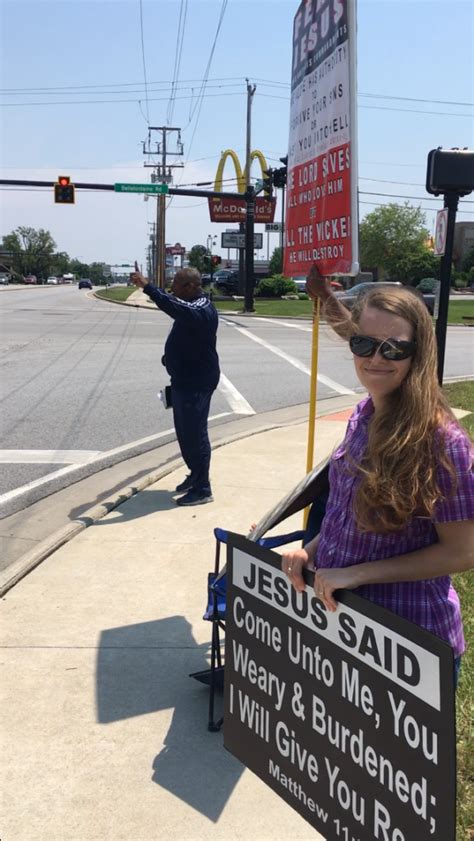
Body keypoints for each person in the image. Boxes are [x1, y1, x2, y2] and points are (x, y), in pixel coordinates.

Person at [282, 266, 473, 681]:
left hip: (408, 645)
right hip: (344, 625)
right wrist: (309, 552)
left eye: (394, 349)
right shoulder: (364, 415)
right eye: (363, 343)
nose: (375, 358)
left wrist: (356, 574)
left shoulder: (442, 441)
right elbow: (344, 515)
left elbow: (462, 552)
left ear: (418, 353)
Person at [131, 266, 220, 506]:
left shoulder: (201, 308)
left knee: (196, 434)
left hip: (198, 381)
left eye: (177, 284)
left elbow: (176, 308)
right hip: (182, 380)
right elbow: (186, 335)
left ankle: (203, 488)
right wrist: (170, 357)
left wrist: (148, 287)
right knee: (184, 433)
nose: (173, 288)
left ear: (191, 287)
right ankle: (195, 475)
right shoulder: (190, 306)